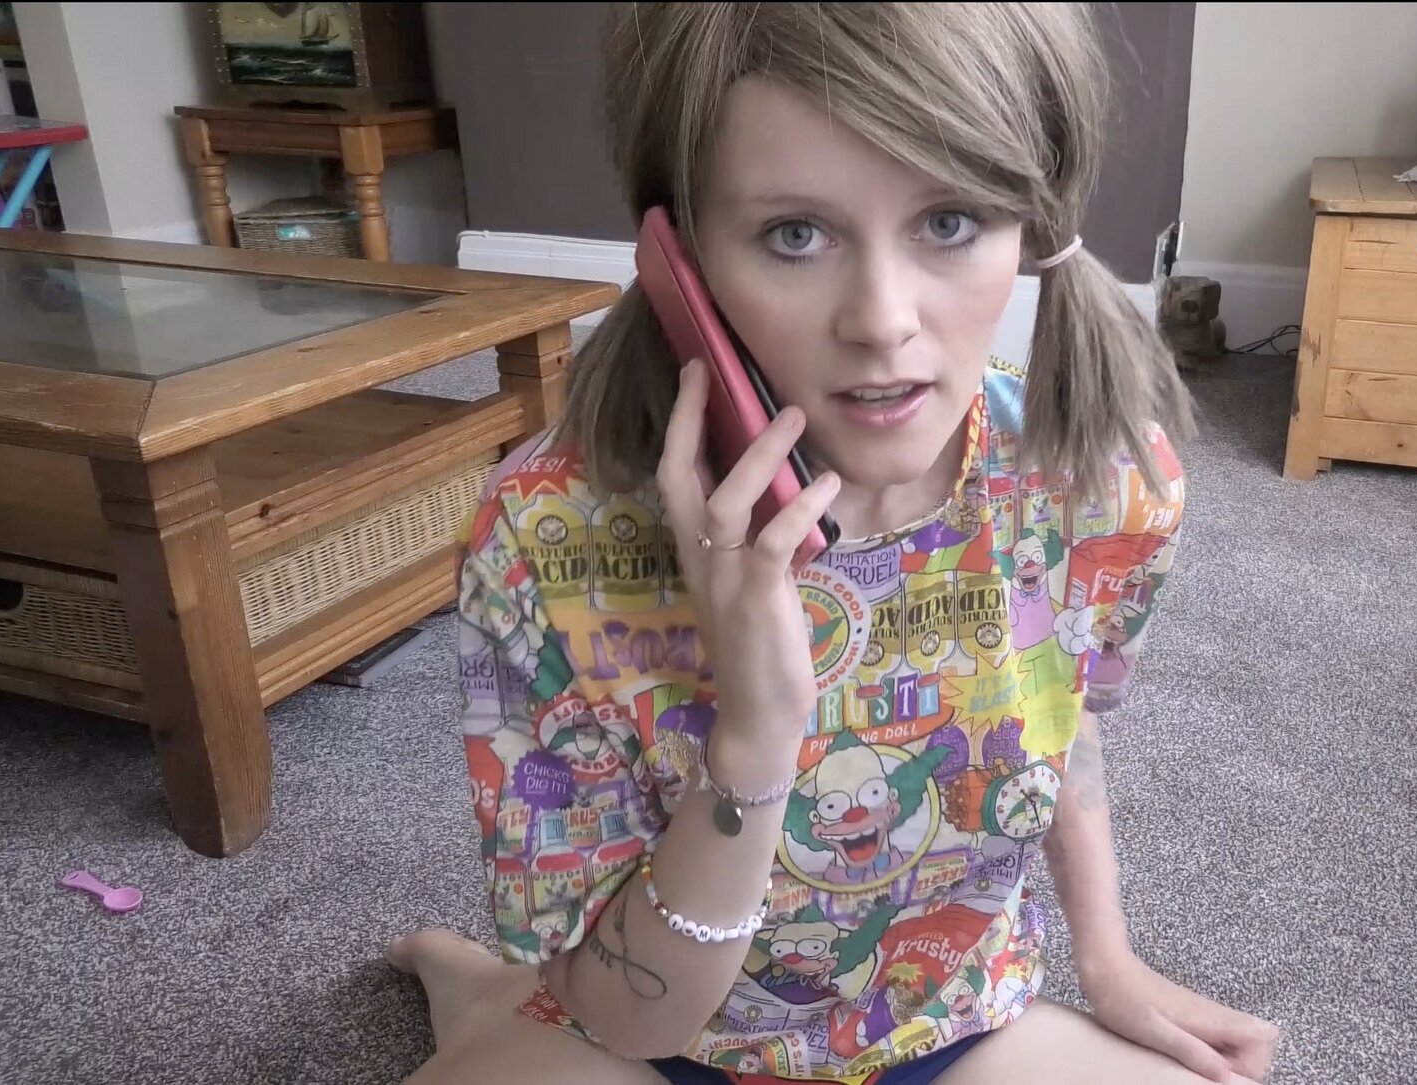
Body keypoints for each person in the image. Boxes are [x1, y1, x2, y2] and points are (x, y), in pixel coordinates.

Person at [387, 4, 1280, 1084]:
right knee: (530, 1022)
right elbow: (629, 1017)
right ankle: (479, 988)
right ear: (679, 256)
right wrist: (756, 735)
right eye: (796, 235)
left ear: (1029, 221)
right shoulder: (548, 535)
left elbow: (1066, 712)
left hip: (949, 1027)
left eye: (950, 220)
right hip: (646, 1033)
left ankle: (478, 993)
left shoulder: (1100, 478)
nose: (883, 320)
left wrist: (1109, 958)